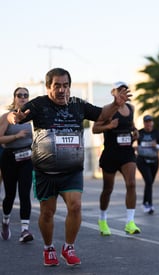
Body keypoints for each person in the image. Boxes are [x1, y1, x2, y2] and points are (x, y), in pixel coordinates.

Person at [7, 68, 131, 267]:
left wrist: (116, 104)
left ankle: (68, 247)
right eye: (57, 86)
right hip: (45, 172)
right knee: (48, 213)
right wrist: (15, 118)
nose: (62, 90)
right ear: (49, 87)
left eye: (66, 86)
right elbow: (17, 116)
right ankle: (48, 248)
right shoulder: (39, 104)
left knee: (76, 206)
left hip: (72, 170)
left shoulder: (78, 105)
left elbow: (101, 114)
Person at [92, 81, 141, 236]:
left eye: (125, 89)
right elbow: (95, 128)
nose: (122, 92)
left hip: (127, 152)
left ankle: (130, 222)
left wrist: (135, 131)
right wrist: (109, 126)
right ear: (113, 92)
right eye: (119, 90)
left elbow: (131, 124)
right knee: (108, 189)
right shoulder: (107, 110)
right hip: (111, 154)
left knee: (131, 184)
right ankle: (102, 219)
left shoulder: (131, 108)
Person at [0, 87, 33, 242]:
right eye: (20, 95)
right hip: (10, 158)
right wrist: (16, 136)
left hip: (27, 158)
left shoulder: (32, 118)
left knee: (25, 194)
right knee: (10, 195)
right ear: (14, 98)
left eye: (25, 95)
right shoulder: (6, 117)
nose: (23, 98)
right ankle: (5, 221)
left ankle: (24, 230)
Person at [136, 115, 159, 214]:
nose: (148, 124)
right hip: (142, 161)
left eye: (150, 121)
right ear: (144, 123)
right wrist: (135, 147)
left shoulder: (156, 133)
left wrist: (156, 145)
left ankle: (145, 202)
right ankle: (149, 205)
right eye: (146, 122)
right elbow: (132, 143)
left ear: (152, 123)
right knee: (148, 181)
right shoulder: (140, 133)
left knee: (149, 183)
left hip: (154, 161)